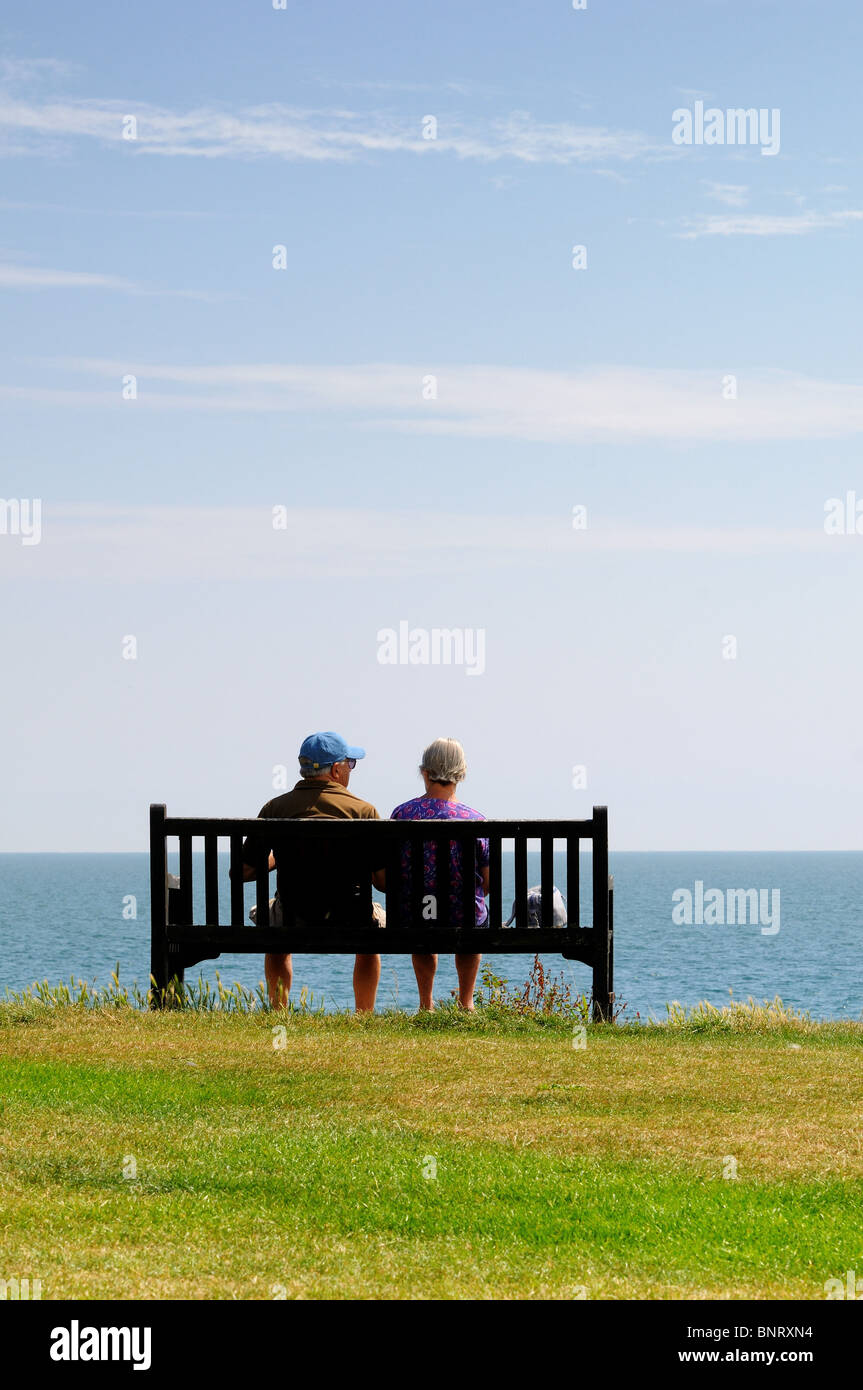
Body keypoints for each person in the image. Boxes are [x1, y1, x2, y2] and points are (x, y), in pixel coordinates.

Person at [238, 732, 385, 1012]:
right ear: (336, 769)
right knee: (372, 929)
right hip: (352, 917)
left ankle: (278, 1010)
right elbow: (383, 882)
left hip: (294, 914)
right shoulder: (363, 811)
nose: (350, 770)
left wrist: (280, 858)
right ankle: (364, 1015)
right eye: (350, 764)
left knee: (274, 924)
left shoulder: (275, 808)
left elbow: (244, 872)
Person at [390, 737, 489, 1012]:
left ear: (425, 772)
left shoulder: (402, 814)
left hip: (417, 914)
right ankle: (466, 1002)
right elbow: (488, 883)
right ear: (461, 773)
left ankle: (426, 1004)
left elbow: (395, 875)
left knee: (425, 914)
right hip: (464, 914)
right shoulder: (476, 820)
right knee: (473, 913)